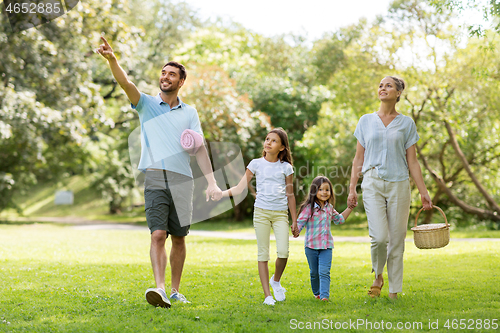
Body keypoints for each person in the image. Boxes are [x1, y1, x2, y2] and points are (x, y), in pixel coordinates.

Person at [96, 37, 222, 308]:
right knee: (157, 234)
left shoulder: (189, 112)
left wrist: (211, 182)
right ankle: (160, 289)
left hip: (183, 180)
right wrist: (112, 60)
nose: (165, 77)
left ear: (180, 82)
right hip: (155, 176)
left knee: (179, 237)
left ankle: (175, 290)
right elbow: (126, 84)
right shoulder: (147, 105)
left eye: (172, 74)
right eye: (163, 73)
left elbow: (199, 148)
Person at [347, 76, 432, 300]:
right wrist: (351, 188)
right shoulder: (365, 121)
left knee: (397, 240)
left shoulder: (406, 124)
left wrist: (423, 191)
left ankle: (394, 292)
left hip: (399, 184)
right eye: (381, 85)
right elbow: (358, 158)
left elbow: (412, 161)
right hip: (372, 182)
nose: (383, 88)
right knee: (379, 238)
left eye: (388, 86)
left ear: (398, 94)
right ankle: (378, 274)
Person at [216, 128, 297, 305]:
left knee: (283, 252)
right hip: (261, 212)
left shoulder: (286, 167)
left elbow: (290, 195)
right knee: (263, 254)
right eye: (267, 139)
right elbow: (239, 188)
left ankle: (275, 281)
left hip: (280, 214)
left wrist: (295, 220)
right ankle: (267, 295)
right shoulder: (255, 164)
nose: (268, 142)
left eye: (274, 141)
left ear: (282, 147)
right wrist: (220, 194)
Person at [292, 176, 353, 301]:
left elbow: (339, 220)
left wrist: (350, 208)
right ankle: (317, 293)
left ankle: (324, 296)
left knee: (324, 272)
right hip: (311, 247)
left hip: (326, 247)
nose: (324, 192)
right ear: (314, 191)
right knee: (314, 273)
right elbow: (300, 223)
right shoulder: (309, 208)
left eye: (327, 190)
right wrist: (296, 230)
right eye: (320, 189)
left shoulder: (329, 208)